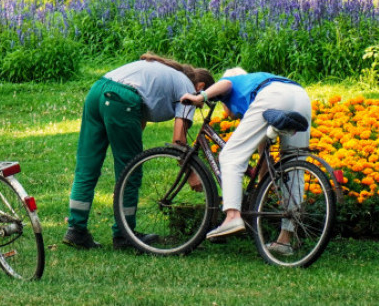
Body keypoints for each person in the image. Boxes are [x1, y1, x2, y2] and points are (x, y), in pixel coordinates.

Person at [63, 53, 215, 250]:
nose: (203, 103)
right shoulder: (188, 87)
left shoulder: (165, 73)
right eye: (208, 99)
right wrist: (192, 174)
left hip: (97, 91)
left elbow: (139, 117)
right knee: (130, 171)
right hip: (121, 99)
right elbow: (179, 140)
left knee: (87, 167)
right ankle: (124, 235)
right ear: (201, 88)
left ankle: (76, 230)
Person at [181, 67, 312, 253]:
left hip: (274, 96)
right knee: (294, 166)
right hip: (300, 97)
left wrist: (200, 97)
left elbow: (226, 84)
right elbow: (264, 157)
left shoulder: (235, 81)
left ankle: (232, 216)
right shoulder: (256, 87)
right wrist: (263, 185)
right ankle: (285, 240)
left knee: (229, 156)